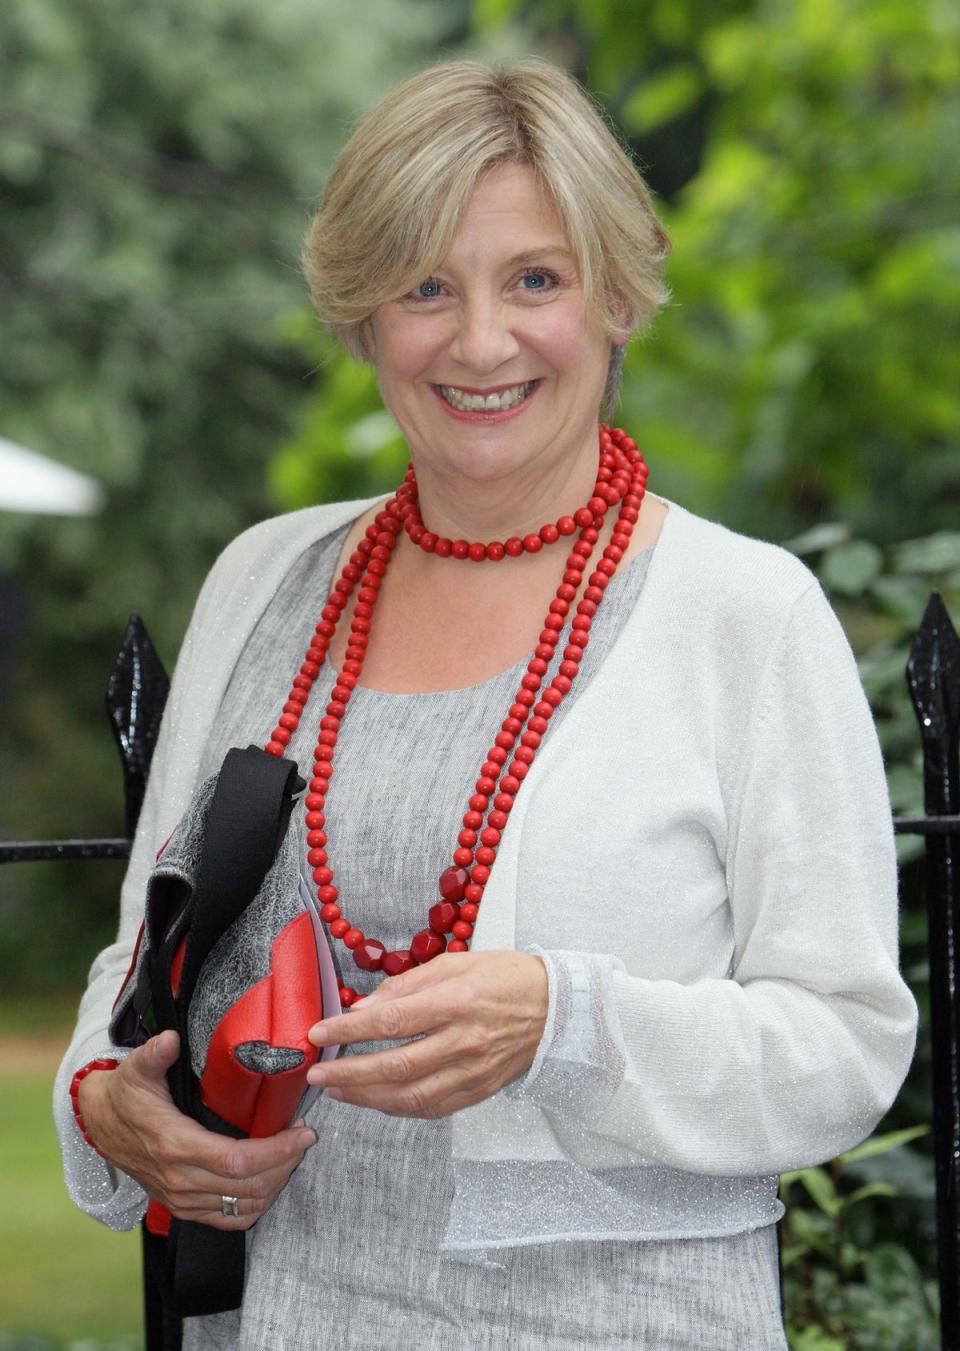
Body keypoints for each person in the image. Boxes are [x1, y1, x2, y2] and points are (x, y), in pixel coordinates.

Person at [55, 57, 918, 1349]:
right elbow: (141, 955)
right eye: (423, 286)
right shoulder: (263, 581)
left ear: (618, 295)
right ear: (361, 314)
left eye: (535, 279)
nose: (478, 341)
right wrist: (100, 1098)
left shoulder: (745, 615)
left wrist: (564, 1020)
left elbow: (846, 1046)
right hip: (283, 1316)